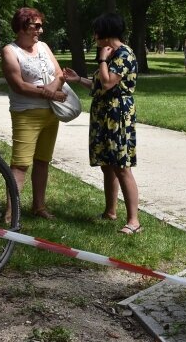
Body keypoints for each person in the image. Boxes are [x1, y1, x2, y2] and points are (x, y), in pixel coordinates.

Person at [63, 13, 140, 234]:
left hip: (118, 114)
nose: (94, 36)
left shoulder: (124, 54)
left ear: (106, 33)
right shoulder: (112, 54)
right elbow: (98, 85)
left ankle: (134, 221)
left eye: (97, 32)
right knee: (107, 165)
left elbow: (108, 83)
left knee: (121, 167)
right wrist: (78, 79)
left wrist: (102, 59)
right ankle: (110, 211)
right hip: (103, 113)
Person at [1, 8, 67, 220]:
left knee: (42, 161)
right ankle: (10, 214)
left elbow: (59, 73)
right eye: (36, 26)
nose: (41, 29)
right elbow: (19, 85)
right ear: (22, 27)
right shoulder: (10, 51)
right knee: (20, 164)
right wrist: (47, 92)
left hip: (51, 113)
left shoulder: (43, 47)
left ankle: (39, 207)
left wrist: (53, 88)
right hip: (26, 114)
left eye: (40, 25)